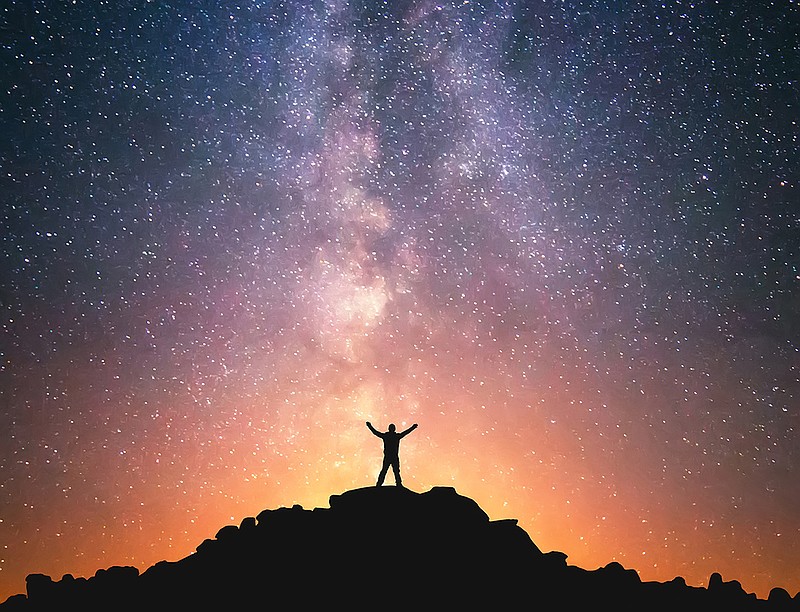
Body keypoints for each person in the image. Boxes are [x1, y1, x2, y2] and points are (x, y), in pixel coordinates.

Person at [366, 421, 418, 487]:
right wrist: (413, 427)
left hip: (390, 457)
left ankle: (381, 484)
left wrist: (369, 426)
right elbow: (405, 433)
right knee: (391, 471)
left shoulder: (388, 436)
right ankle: (394, 484)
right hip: (392, 457)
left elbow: (375, 432)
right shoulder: (395, 436)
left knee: (390, 471)